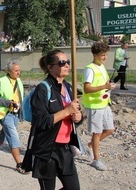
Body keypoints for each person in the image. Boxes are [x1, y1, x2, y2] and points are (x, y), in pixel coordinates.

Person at [22, 49, 82, 190]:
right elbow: (41, 121)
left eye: (68, 62)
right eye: (62, 63)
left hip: (65, 147)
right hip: (47, 148)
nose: (67, 65)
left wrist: (78, 117)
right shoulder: (43, 89)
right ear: (50, 67)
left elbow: (75, 115)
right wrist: (67, 111)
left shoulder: (68, 87)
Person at [0, 61, 26, 174]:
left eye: (19, 70)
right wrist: (8, 103)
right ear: (9, 71)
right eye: (16, 70)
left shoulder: (19, 81)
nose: (18, 72)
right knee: (13, 137)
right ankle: (19, 164)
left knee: (4, 135)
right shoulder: (1, 81)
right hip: (4, 113)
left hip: (15, 114)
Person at [83, 42, 116, 171]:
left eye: (106, 55)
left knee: (110, 129)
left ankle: (90, 146)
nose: (105, 57)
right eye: (102, 55)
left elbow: (104, 82)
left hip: (104, 103)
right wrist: (104, 87)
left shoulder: (101, 67)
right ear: (95, 55)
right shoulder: (89, 69)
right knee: (97, 133)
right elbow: (87, 88)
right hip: (94, 105)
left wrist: (109, 85)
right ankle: (96, 160)